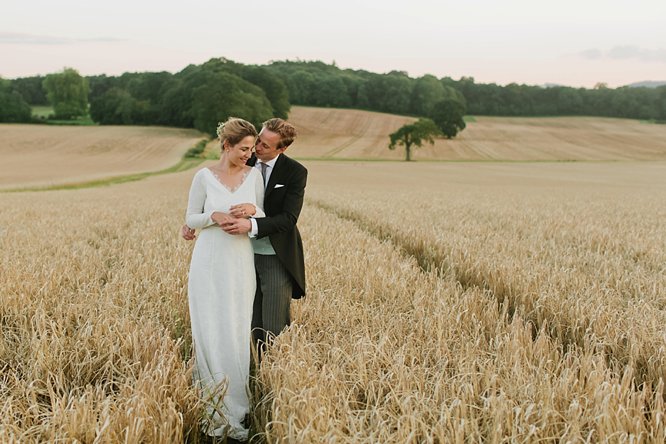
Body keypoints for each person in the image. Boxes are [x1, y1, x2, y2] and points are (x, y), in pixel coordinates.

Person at [182, 118, 307, 353]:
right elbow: (211, 197)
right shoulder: (243, 155)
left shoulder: (295, 172)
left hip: (273, 253)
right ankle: (246, 369)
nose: (256, 150)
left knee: (272, 324)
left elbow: (288, 219)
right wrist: (191, 222)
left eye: (264, 146)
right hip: (239, 254)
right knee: (244, 319)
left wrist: (251, 221)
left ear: (282, 149)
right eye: (257, 142)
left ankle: (273, 375)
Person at [184, 117, 264, 441]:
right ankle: (211, 404)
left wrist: (252, 210)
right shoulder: (203, 176)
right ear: (227, 146)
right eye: (243, 149)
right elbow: (190, 217)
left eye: (252, 149)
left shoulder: (254, 176)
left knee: (234, 327)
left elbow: (262, 215)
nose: (248, 154)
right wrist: (212, 216)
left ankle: (236, 406)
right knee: (209, 328)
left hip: (239, 261)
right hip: (208, 259)